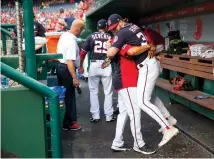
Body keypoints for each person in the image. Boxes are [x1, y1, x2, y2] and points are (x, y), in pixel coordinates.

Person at [106, 14, 178, 148]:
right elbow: (143, 45)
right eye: (112, 29)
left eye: (115, 26)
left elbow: (117, 53)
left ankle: (168, 128)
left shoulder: (122, 33)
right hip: (148, 65)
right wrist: (148, 46)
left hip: (146, 66)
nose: (114, 30)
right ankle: (168, 118)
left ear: (121, 21)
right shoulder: (133, 27)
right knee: (150, 97)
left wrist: (110, 46)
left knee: (143, 102)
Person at [105, 35, 156, 154]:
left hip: (123, 80)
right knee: (135, 112)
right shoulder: (121, 42)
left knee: (123, 113)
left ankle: (117, 143)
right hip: (126, 80)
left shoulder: (115, 42)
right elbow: (132, 51)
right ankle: (139, 144)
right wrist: (149, 46)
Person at [78, 19, 115, 122]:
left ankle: (95, 116)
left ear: (97, 27)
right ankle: (109, 116)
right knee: (108, 92)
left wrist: (81, 66)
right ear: (106, 27)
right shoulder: (110, 37)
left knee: (93, 91)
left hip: (94, 64)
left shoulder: (91, 36)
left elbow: (82, 53)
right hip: (106, 64)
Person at [56, 19, 85, 130]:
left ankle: (65, 120)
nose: (81, 32)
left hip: (60, 66)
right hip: (66, 69)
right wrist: (75, 78)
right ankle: (69, 123)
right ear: (78, 29)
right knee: (69, 96)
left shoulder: (64, 35)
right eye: (81, 30)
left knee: (64, 95)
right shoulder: (72, 41)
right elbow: (69, 61)